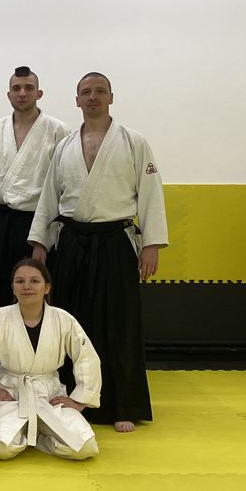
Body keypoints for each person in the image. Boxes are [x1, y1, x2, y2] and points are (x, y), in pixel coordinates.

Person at [29, 72, 168, 433]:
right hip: (72, 242)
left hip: (115, 241)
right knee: (71, 323)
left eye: (99, 91)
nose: (93, 97)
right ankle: (73, 398)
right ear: (77, 100)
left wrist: (151, 244)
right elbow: (49, 197)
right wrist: (40, 244)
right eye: (86, 92)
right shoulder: (65, 146)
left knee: (120, 323)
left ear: (111, 97)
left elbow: (150, 192)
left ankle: (123, 404)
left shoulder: (133, 141)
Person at [0, 259, 101, 460]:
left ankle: (38, 438)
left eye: (34, 281)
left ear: (47, 288)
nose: (26, 286)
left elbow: (87, 358)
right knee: (1, 449)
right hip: (9, 392)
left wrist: (80, 400)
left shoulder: (63, 319)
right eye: (20, 281)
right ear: (13, 288)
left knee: (85, 448)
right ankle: (28, 433)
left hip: (49, 394)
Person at [0, 66, 69, 313]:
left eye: (29, 88)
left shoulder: (57, 129)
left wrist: (43, 239)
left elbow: (61, 186)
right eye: (16, 88)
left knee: (35, 289)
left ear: (39, 93)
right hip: (1, 220)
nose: (22, 93)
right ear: (8, 94)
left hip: (37, 222)